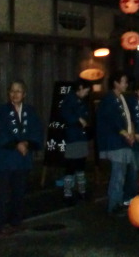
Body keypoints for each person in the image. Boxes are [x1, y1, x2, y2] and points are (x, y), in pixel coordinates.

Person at [0, 79, 44, 237]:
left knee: (19, 192)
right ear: (8, 93)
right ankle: (0, 226)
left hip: (22, 159)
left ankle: (16, 221)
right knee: (2, 194)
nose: (15, 94)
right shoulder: (1, 111)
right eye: (12, 91)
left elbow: (37, 131)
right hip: (5, 159)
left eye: (18, 91)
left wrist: (28, 143)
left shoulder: (30, 112)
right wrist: (16, 144)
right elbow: (0, 133)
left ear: (24, 94)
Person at [96, 70, 136, 215]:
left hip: (121, 142)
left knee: (121, 174)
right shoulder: (110, 99)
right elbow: (113, 121)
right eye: (124, 81)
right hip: (116, 143)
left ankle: (118, 201)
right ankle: (114, 205)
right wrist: (126, 134)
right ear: (116, 83)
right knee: (118, 175)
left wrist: (129, 133)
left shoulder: (119, 98)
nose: (126, 83)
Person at [60, 78, 92, 206]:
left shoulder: (82, 102)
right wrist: (78, 119)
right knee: (71, 167)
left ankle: (81, 191)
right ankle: (68, 193)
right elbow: (65, 115)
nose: (87, 93)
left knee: (80, 166)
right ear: (79, 88)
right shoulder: (70, 100)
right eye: (86, 90)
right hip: (73, 138)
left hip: (81, 137)